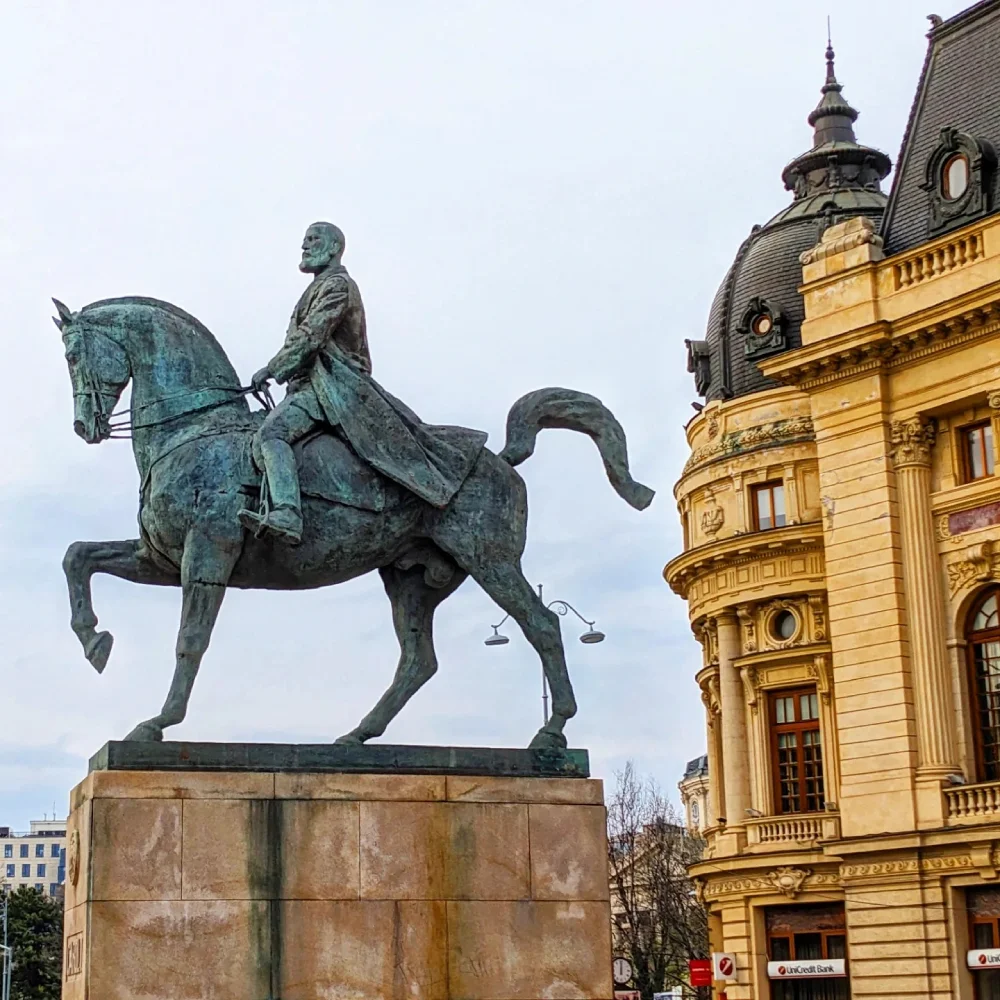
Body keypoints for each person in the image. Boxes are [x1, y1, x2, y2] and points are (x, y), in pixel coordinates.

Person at [238, 222, 485, 543]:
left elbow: (311, 335)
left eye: (312, 240)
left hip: (332, 389)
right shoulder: (318, 286)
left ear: (333, 247)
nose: (304, 247)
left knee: (272, 434)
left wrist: (272, 368)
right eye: (304, 241)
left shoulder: (338, 285)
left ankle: (287, 513)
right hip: (311, 386)